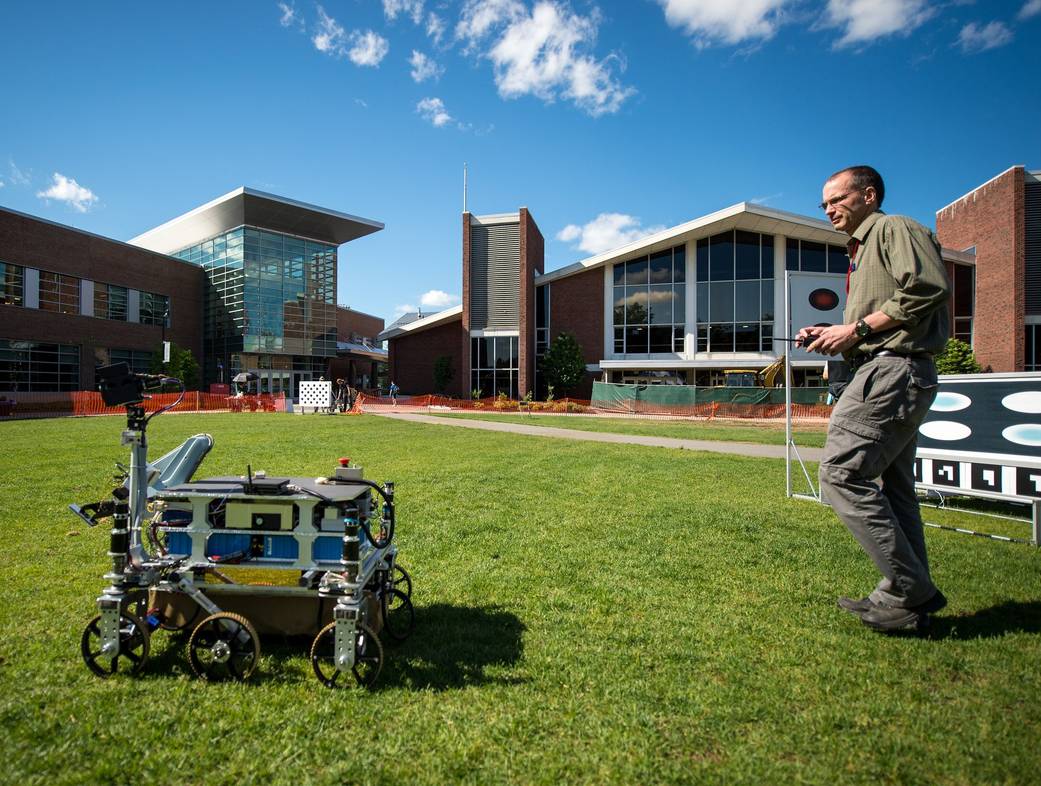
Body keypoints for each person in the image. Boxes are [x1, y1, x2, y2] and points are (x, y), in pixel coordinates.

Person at [796, 165, 950, 633]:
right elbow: (871, 320)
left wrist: (856, 329)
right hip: (888, 368)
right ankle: (900, 602)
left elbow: (926, 287)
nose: (828, 210)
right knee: (898, 491)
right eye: (823, 204)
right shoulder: (861, 250)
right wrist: (834, 333)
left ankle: (913, 589)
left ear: (868, 194)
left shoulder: (893, 228)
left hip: (893, 372)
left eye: (837, 200)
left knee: (840, 474)